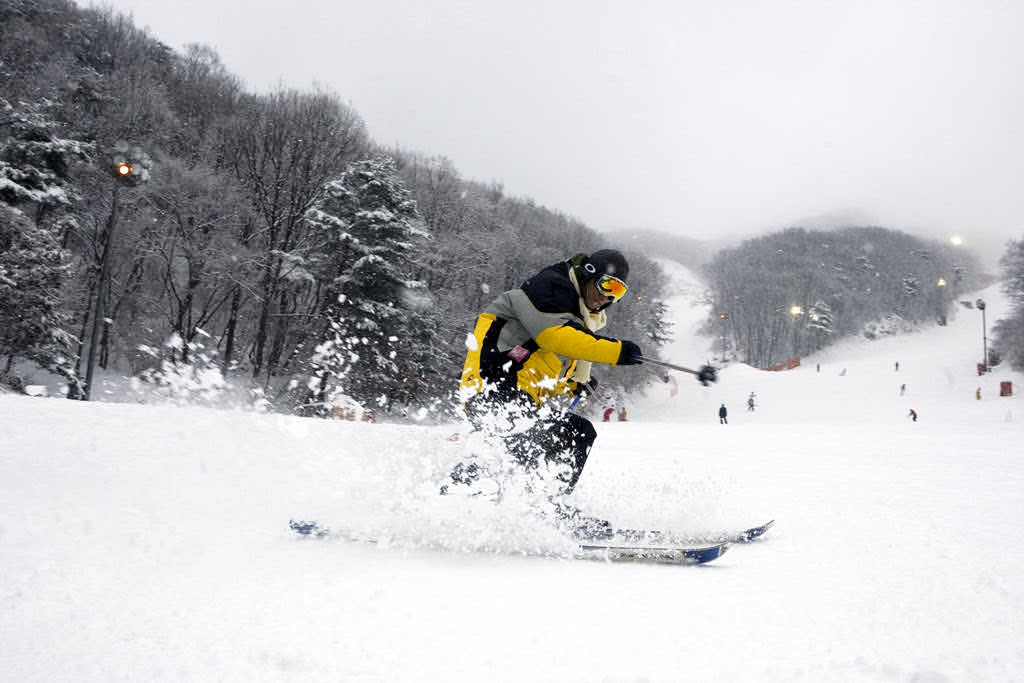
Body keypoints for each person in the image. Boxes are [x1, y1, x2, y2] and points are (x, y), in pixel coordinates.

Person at [450, 249, 645, 505]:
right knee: (519, 439)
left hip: (520, 395)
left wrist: (571, 385)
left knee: (576, 433)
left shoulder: (574, 313)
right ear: (588, 275)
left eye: (617, 292)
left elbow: (540, 362)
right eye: (606, 285)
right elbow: (556, 338)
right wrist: (616, 350)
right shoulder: (551, 287)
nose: (607, 296)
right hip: (491, 386)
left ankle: (541, 506)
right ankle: (459, 499)